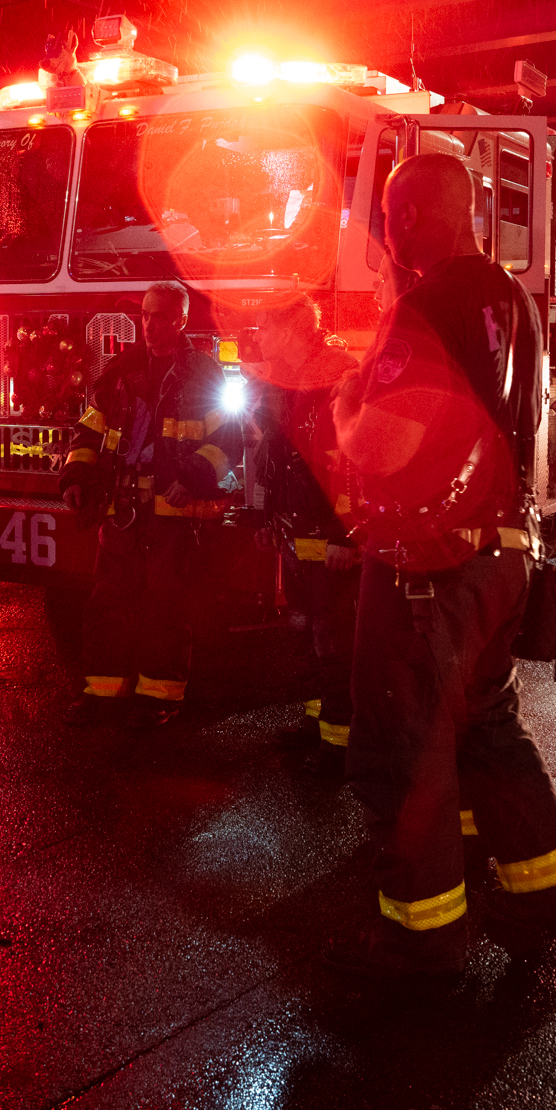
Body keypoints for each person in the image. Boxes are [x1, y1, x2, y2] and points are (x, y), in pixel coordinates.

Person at [326, 153, 556, 981]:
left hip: (428, 569)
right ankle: (551, 892)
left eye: (391, 218)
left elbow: (381, 437)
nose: (388, 235)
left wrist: (339, 395)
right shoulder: (515, 299)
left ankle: (420, 938)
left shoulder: (426, 301)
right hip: (501, 560)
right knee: (488, 729)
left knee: (410, 750)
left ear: (410, 218)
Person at [58, 280, 236, 728]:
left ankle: (159, 698)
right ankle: (103, 692)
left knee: (164, 606)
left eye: (161, 317)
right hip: (123, 510)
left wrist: (192, 478)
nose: (151, 325)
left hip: (173, 515)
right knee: (107, 604)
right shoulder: (122, 370)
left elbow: (227, 440)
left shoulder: (202, 374)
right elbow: (91, 429)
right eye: (145, 315)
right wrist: (78, 475)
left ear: (180, 321)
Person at [247, 297, 360, 764]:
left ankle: (341, 743)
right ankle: (318, 724)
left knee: (334, 642)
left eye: (265, 327)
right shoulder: (286, 381)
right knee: (307, 635)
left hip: (330, 539)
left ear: (291, 330)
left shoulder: (337, 374)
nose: (258, 337)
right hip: (297, 533)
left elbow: (356, 463)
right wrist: (268, 517)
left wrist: (347, 534)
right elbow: (277, 457)